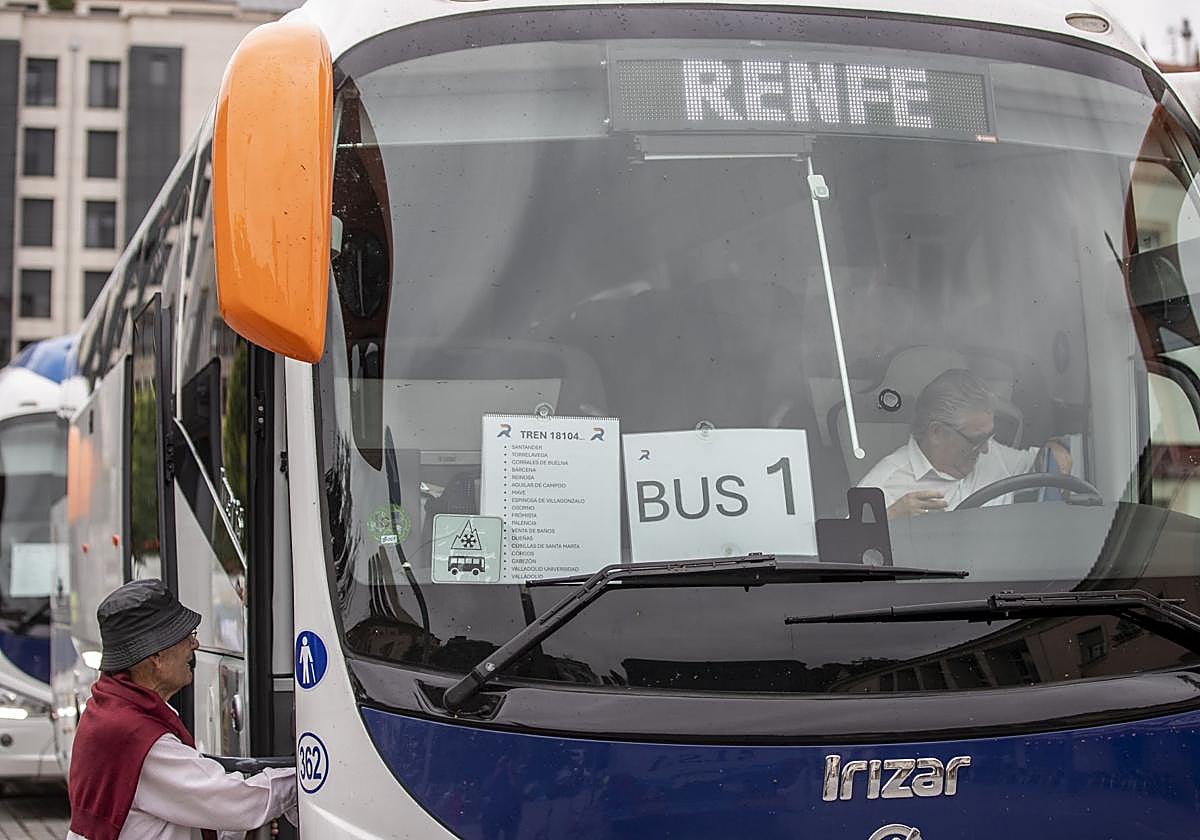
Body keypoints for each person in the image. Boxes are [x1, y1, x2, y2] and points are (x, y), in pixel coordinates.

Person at [67, 579, 296, 840]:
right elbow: (224, 800)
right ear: (156, 657)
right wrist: (301, 781)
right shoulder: (136, 736)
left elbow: (164, 813)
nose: (194, 645)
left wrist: (239, 830)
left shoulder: (111, 709)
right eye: (185, 637)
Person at [858, 368, 1071, 519]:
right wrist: (890, 521)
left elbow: (1043, 460)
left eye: (990, 436)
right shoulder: (885, 483)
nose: (987, 449)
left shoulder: (995, 457)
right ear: (937, 433)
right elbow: (840, 551)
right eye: (977, 440)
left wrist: (1057, 449)